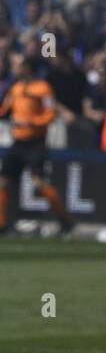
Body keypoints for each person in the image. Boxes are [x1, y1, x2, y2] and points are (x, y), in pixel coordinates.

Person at [0, 56, 73, 234]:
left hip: (36, 142)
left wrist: (32, 122)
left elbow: (50, 114)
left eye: (19, 65)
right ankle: (1, 224)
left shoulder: (43, 88)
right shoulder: (16, 88)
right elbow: (4, 110)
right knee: (3, 181)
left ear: (28, 68)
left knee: (38, 182)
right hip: (18, 141)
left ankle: (65, 220)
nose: (15, 68)